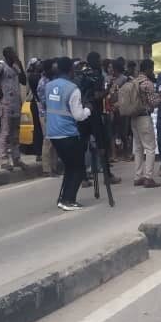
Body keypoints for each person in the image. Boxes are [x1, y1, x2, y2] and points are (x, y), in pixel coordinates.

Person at [45, 57, 91, 211]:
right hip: (68, 133)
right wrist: (88, 109)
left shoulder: (49, 86)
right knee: (78, 167)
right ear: (71, 69)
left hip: (53, 133)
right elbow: (79, 115)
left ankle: (64, 198)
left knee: (70, 167)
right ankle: (68, 200)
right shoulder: (73, 89)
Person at [77, 52, 121, 186]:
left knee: (82, 145)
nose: (101, 62)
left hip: (82, 113)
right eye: (99, 59)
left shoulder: (83, 73)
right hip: (94, 113)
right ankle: (107, 176)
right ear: (95, 61)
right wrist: (107, 90)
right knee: (102, 144)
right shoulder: (97, 75)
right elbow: (97, 95)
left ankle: (83, 178)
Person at [0, 47, 28, 170]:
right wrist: (0, 91)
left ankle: (16, 159)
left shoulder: (15, 67)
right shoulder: (1, 66)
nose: (15, 55)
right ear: (7, 55)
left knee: (15, 134)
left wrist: (20, 65)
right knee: (5, 133)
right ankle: (4, 160)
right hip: (6, 104)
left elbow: (23, 81)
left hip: (16, 104)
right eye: (12, 53)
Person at [129, 58, 161, 188]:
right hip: (144, 117)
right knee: (150, 148)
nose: (152, 71)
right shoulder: (147, 83)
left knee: (138, 148)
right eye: (152, 69)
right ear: (148, 69)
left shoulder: (133, 81)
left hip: (133, 117)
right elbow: (153, 102)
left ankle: (138, 176)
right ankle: (148, 177)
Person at [36, 58, 58, 176]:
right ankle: (46, 169)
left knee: (54, 142)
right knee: (48, 140)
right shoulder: (43, 83)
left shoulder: (52, 80)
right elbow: (45, 101)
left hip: (53, 113)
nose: (55, 70)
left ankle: (54, 167)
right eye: (53, 68)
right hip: (46, 114)